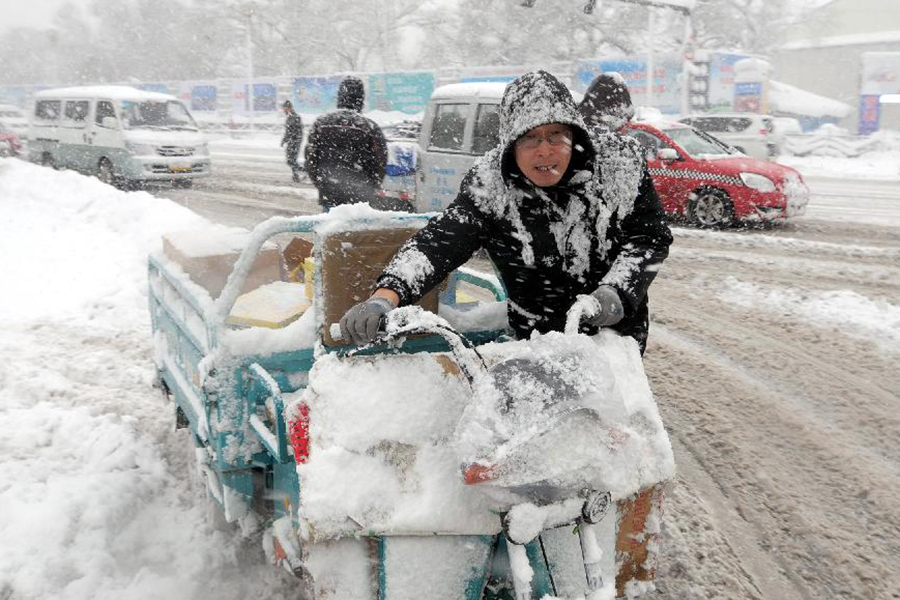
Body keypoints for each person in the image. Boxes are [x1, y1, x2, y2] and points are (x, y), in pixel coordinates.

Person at [339, 70, 672, 354]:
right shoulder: (491, 184)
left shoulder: (619, 166)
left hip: (614, 339)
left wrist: (617, 291)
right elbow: (438, 244)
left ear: (574, 134)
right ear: (511, 144)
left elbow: (649, 237)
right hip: (536, 342)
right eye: (529, 138)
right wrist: (386, 295)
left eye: (556, 134)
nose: (545, 151)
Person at [304, 76, 388, 211]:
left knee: (330, 230)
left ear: (339, 96)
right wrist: (371, 186)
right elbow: (380, 163)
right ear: (361, 99)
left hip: (329, 195)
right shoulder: (369, 127)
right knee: (357, 231)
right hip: (361, 198)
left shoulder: (320, 124)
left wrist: (322, 184)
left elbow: (311, 160)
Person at [280, 100, 304, 183]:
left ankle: (304, 172)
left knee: (292, 160)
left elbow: (298, 131)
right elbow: (288, 131)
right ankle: (297, 175)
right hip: (291, 141)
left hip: (295, 142)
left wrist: (295, 140)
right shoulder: (289, 117)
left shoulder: (296, 117)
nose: (283, 110)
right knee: (290, 160)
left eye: (284, 108)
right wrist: (284, 140)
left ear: (288, 108)